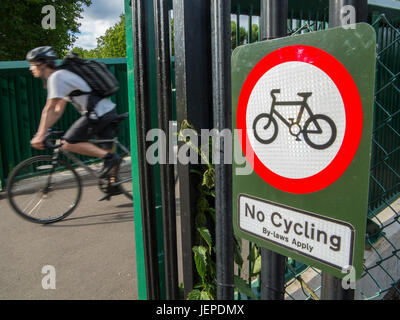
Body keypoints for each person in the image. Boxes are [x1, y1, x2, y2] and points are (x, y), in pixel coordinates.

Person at [26, 46, 121, 179]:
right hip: (105, 111)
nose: (30, 68)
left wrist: (40, 134)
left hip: (99, 113)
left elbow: (50, 107)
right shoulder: (61, 75)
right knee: (104, 152)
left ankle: (112, 159)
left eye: (32, 64)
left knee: (68, 143)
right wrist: (45, 130)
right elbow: (58, 110)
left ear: (42, 64)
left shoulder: (56, 77)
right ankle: (114, 184)